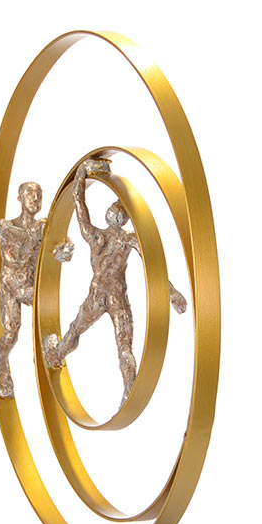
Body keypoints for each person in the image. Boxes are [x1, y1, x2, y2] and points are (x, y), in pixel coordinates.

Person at [43, 159, 187, 407]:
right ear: (125, 219)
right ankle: (128, 392)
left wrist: (81, 173)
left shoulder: (96, 236)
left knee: (78, 330)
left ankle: (57, 354)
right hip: (116, 297)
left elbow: (79, 204)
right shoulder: (128, 239)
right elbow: (154, 269)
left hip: (99, 294)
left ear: (112, 216)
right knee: (123, 346)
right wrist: (172, 294)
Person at [0, 181, 73, 397]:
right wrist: (42, 235)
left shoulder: (42, 227)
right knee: (11, 334)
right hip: (10, 286)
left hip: (29, 286)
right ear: (19, 198)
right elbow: (16, 236)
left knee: (44, 310)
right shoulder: (4, 226)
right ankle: (0, 365)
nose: (35, 199)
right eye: (29, 194)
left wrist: (63, 248)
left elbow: (59, 242)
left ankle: (49, 353)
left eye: (39, 194)